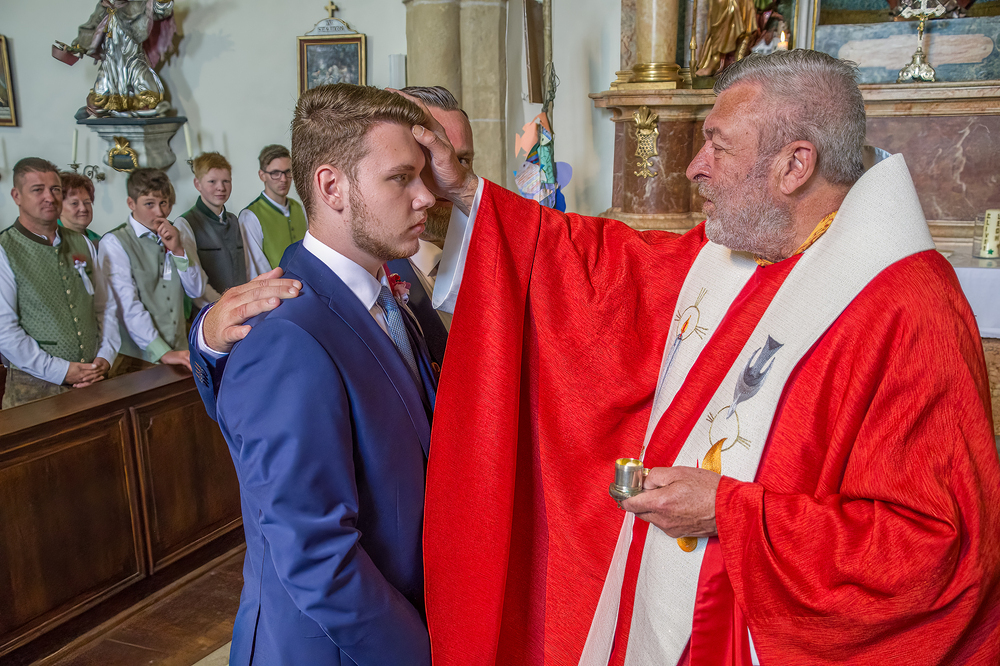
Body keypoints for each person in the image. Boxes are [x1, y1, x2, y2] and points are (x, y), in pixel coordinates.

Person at [196, 52, 1000, 664]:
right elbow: (597, 275)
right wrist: (470, 190)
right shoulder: (744, 258)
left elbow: (940, 548)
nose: (694, 167)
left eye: (717, 146)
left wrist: (732, 512)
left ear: (795, 165)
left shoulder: (907, 310)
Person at [205, 84, 438, 665]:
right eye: (401, 178)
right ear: (332, 187)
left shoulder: (388, 296)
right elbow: (315, 554)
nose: (426, 196)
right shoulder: (286, 336)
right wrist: (419, 654)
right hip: (339, 647)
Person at [0, 158, 119, 408]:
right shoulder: (4, 250)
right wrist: (61, 371)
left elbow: (104, 306)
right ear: (16, 196)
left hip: (94, 381)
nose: (49, 197)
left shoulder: (82, 242)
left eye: (55, 189)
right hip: (34, 392)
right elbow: (5, 331)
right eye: (37, 190)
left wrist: (105, 356)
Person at [385, 85, 475, 366]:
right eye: (433, 157)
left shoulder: (489, 252)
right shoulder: (372, 267)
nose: (451, 176)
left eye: (462, 160)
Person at [99, 168, 200, 371]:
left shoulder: (176, 233)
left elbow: (196, 290)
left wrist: (178, 250)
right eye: (149, 204)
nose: (159, 213)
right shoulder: (114, 242)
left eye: (163, 203)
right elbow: (127, 305)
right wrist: (163, 351)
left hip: (182, 350)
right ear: (131, 203)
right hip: (137, 359)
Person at [67, 0, 175, 116]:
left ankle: (140, 107)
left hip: (133, 59)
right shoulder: (105, 6)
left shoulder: (139, 4)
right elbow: (91, 27)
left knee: (145, 89)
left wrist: (162, 2)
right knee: (99, 96)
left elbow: (159, 10)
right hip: (110, 61)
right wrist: (78, 47)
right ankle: (108, 107)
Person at [179, 152, 242, 307]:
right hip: (210, 310)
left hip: (242, 307)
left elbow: (246, 267)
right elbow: (194, 283)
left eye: (226, 181)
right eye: (212, 181)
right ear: (197, 184)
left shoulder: (234, 220)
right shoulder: (186, 223)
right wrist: (224, 306)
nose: (221, 187)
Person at [239, 144, 308, 281]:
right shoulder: (250, 216)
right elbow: (255, 267)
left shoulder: (301, 209)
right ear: (262, 175)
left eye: (288, 172)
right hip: (273, 289)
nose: (283, 179)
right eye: (275, 173)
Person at [58, 171, 102, 242]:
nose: (83, 208)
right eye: (74, 203)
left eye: (87, 202)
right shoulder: (49, 240)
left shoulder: (100, 241)